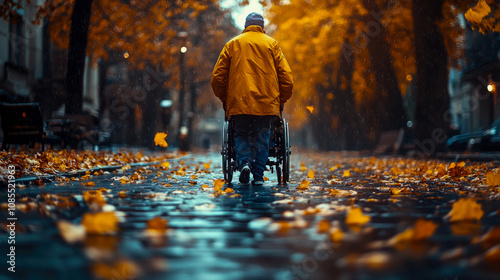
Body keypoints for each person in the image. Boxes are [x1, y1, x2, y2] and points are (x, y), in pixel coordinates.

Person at [211, 12, 293, 185]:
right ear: (262, 27)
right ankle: (258, 175)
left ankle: (245, 163)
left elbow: (217, 77)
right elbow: (287, 79)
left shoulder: (233, 44)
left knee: (240, 133)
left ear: (246, 26)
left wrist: (225, 98)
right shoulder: (272, 45)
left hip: (239, 102)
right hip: (266, 103)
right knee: (262, 135)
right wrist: (280, 101)